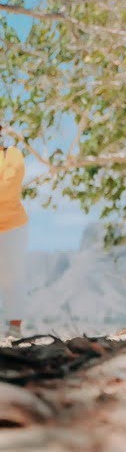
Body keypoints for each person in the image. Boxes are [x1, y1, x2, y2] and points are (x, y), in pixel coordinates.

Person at [0, 126, 29, 338]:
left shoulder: (13, 155)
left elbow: (7, 190)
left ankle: (14, 330)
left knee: (12, 278)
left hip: (12, 226)